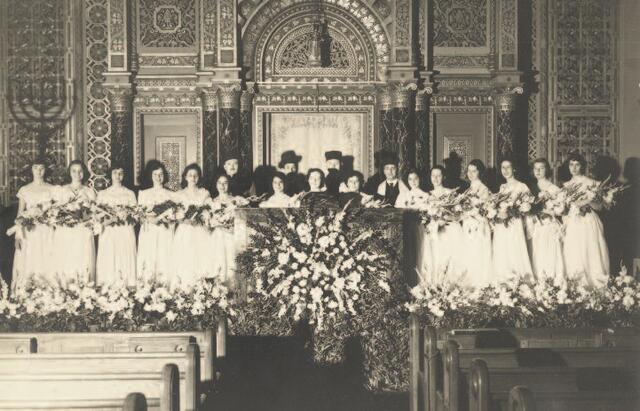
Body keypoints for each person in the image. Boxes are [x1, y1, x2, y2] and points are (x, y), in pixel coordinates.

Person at [562, 153, 610, 286]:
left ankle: (594, 285)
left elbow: (600, 207)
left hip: (588, 221)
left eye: (577, 164)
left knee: (590, 251)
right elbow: (565, 209)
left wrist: (587, 201)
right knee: (574, 252)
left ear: (582, 166)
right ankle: (577, 286)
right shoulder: (566, 185)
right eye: (571, 164)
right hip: (572, 222)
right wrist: (565, 223)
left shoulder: (592, 183)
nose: (574, 167)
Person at [11, 159, 56, 290]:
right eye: (36, 167)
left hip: (46, 230)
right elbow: (20, 214)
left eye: (42, 168)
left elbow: (55, 212)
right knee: (29, 258)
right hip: (29, 231)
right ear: (31, 169)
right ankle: (27, 290)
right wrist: (18, 236)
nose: (39, 171)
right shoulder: (25, 189)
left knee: (46, 257)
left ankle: (47, 291)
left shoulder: (52, 189)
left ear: (45, 170)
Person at [52, 160, 97, 285]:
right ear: (69, 173)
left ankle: (84, 288)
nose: (77, 174)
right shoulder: (62, 190)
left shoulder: (89, 191)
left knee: (83, 258)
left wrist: (87, 218)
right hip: (66, 230)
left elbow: (94, 212)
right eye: (74, 171)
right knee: (67, 258)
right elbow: (55, 211)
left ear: (84, 173)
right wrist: (66, 217)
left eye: (80, 171)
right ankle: (65, 289)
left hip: (83, 230)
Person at [492, 159, 534, 282]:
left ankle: (520, 280)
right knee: (503, 251)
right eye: (502, 167)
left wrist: (514, 210)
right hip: (502, 225)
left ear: (513, 168)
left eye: (508, 167)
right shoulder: (502, 187)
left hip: (514, 223)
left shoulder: (521, 186)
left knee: (515, 250)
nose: (505, 170)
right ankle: (503, 281)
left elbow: (527, 207)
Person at [95, 165, 137, 287]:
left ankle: (127, 287)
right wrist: (109, 219)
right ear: (110, 174)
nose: (118, 176)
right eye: (115, 173)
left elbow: (136, 217)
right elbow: (97, 216)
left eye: (120, 173)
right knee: (109, 256)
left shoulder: (130, 193)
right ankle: (107, 288)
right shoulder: (103, 194)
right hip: (109, 231)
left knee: (124, 256)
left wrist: (126, 215)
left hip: (125, 231)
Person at [423, 165, 466, 285]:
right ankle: (436, 283)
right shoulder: (427, 195)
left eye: (439, 175)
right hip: (434, 231)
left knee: (449, 257)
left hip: (448, 230)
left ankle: (450, 284)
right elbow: (424, 216)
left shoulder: (450, 193)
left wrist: (447, 217)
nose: (436, 178)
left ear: (443, 177)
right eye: (433, 175)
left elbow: (459, 215)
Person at [171, 164, 212, 287]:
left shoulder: (204, 193)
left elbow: (209, 211)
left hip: (200, 230)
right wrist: (184, 220)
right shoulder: (179, 194)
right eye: (190, 175)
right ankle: (184, 288)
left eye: (195, 175)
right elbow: (174, 214)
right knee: (185, 258)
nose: (193, 178)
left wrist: (201, 218)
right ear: (185, 177)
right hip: (185, 230)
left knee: (201, 257)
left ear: (199, 177)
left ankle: (200, 289)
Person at [137, 160, 175, 283]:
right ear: (150, 176)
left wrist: (167, 218)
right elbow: (140, 215)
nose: (158, 177)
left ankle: (165, 288)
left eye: (161, 174)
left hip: (165, 230)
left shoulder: (171, 194)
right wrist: (150, 219)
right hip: (149, 231)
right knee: (149, 257)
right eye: (155, 174)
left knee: (165, 256)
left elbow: (174, 215)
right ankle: (147, 288)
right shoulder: (144, 194)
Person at [208, 174, 249, 284]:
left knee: (232, 262)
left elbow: (243, 217)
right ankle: (220, 291)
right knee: (220, 262)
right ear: (216, 185)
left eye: (225, 183)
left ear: (229, 184)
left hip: (232, 235)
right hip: (218, 237)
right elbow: (209, 222)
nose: (222, 185)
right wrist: (220, 224)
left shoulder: (236, 200)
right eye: (219, 183)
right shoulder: (211, 202)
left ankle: (234, 290)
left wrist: (232, 225)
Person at [529, 158, 565, 282]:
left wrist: (549, 210)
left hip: (549, 226)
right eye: (535, 168)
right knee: (537, 254)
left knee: (550, 254)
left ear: (547, 170)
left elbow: (560, 209)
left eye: (542, 168)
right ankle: (539, 282)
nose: (538, 171)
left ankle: (551, 282)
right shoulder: (530, 189)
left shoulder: (554, 189)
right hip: (536, 226)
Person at [459, 160, 493, 287]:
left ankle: (480, 284)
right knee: (469, 253)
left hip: (478, 226)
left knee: (478, 253)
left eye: (474, 171)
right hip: (468, 225)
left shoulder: (484, 189)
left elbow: (485, 211)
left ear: (480, 172)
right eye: (469, 171)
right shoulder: (467, 190)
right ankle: (470, 282)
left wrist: (472, 211)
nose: (471, 174)